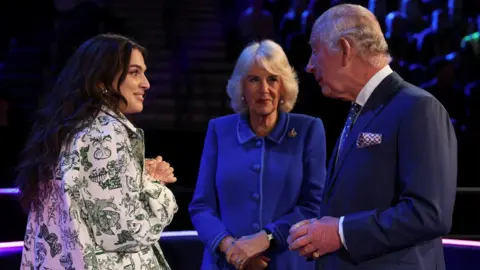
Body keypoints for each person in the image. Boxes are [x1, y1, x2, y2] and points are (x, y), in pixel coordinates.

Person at [287, 4, 457, 270]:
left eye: (315, 51)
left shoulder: (418, 107)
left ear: (344, 50)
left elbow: (429, 214)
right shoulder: (360, 110)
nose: (309, 65)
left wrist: (341, 233)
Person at [16, 33, 178, 270]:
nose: (146, 83)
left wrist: (138, 179)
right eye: (134, 72)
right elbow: (126, 231)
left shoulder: (64, 131)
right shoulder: (107, 133)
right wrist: (156, 185)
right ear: (101, 82)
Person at [188, 40, 326, 270]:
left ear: (284, 86)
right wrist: (231, 248)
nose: (264, 89)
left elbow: (314, 205)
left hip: (287, 262)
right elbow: (201, 206)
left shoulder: (308, 130)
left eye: (272, 79)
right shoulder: (219, 130)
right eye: (254, 80)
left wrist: (266, 238)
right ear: (241, 88)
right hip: (226, 263)